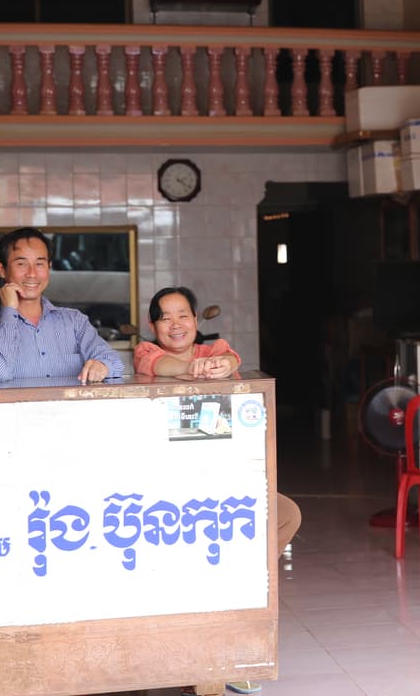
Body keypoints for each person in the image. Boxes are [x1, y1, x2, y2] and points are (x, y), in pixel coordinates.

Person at [137, 287, 300, 696]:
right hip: (167, 490)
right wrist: (198, 369)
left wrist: (222, 363)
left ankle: (242, 588)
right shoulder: (144, 354)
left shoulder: (216, 352)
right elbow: (164, 366)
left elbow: (230, 358)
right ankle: (208, 657)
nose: (175, 324)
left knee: (286, 515)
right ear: (153, 325)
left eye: (184, 315)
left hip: (222, 484)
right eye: (166, 317)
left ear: (196, 321)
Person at [0, 227, 123, 383]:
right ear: (1, 269)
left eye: (40, 264)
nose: (32, 273)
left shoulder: (75, 321)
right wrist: (9, 312)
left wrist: (102, 365)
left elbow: (115, 362)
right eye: (21, 264)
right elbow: (0, 372)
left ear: (49, 267)